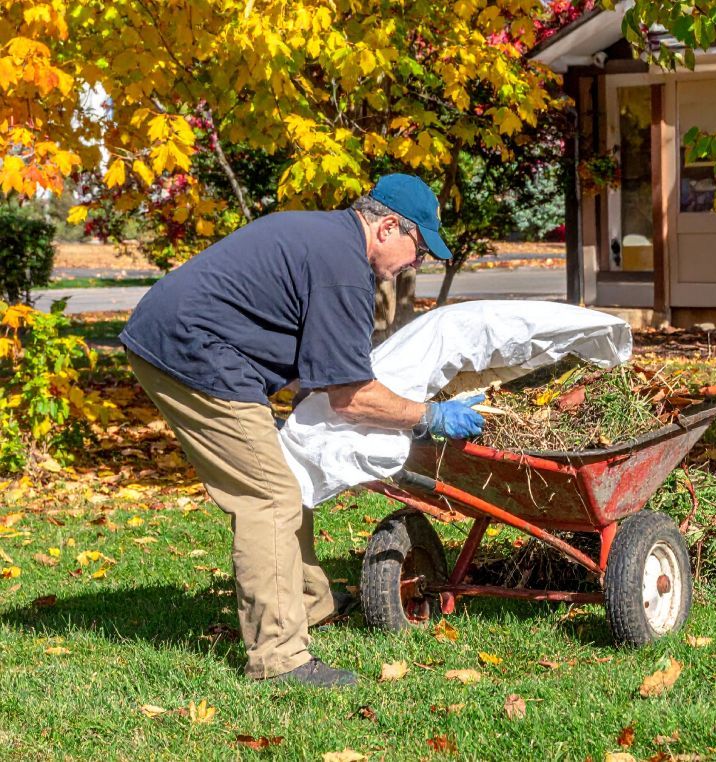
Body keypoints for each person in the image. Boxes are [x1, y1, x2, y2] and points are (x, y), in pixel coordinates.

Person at [120, 174, 485, 688]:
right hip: (192, 355)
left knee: (284, 473)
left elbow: (314, 363)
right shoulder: (342, 271)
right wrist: (429, 416)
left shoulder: (327, 239)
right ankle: (279, 658)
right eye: (417, 249)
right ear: (386, 229)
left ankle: (311, 602)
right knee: (270, 496)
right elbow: (350, 397)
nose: (415, 264)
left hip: (181, 341)